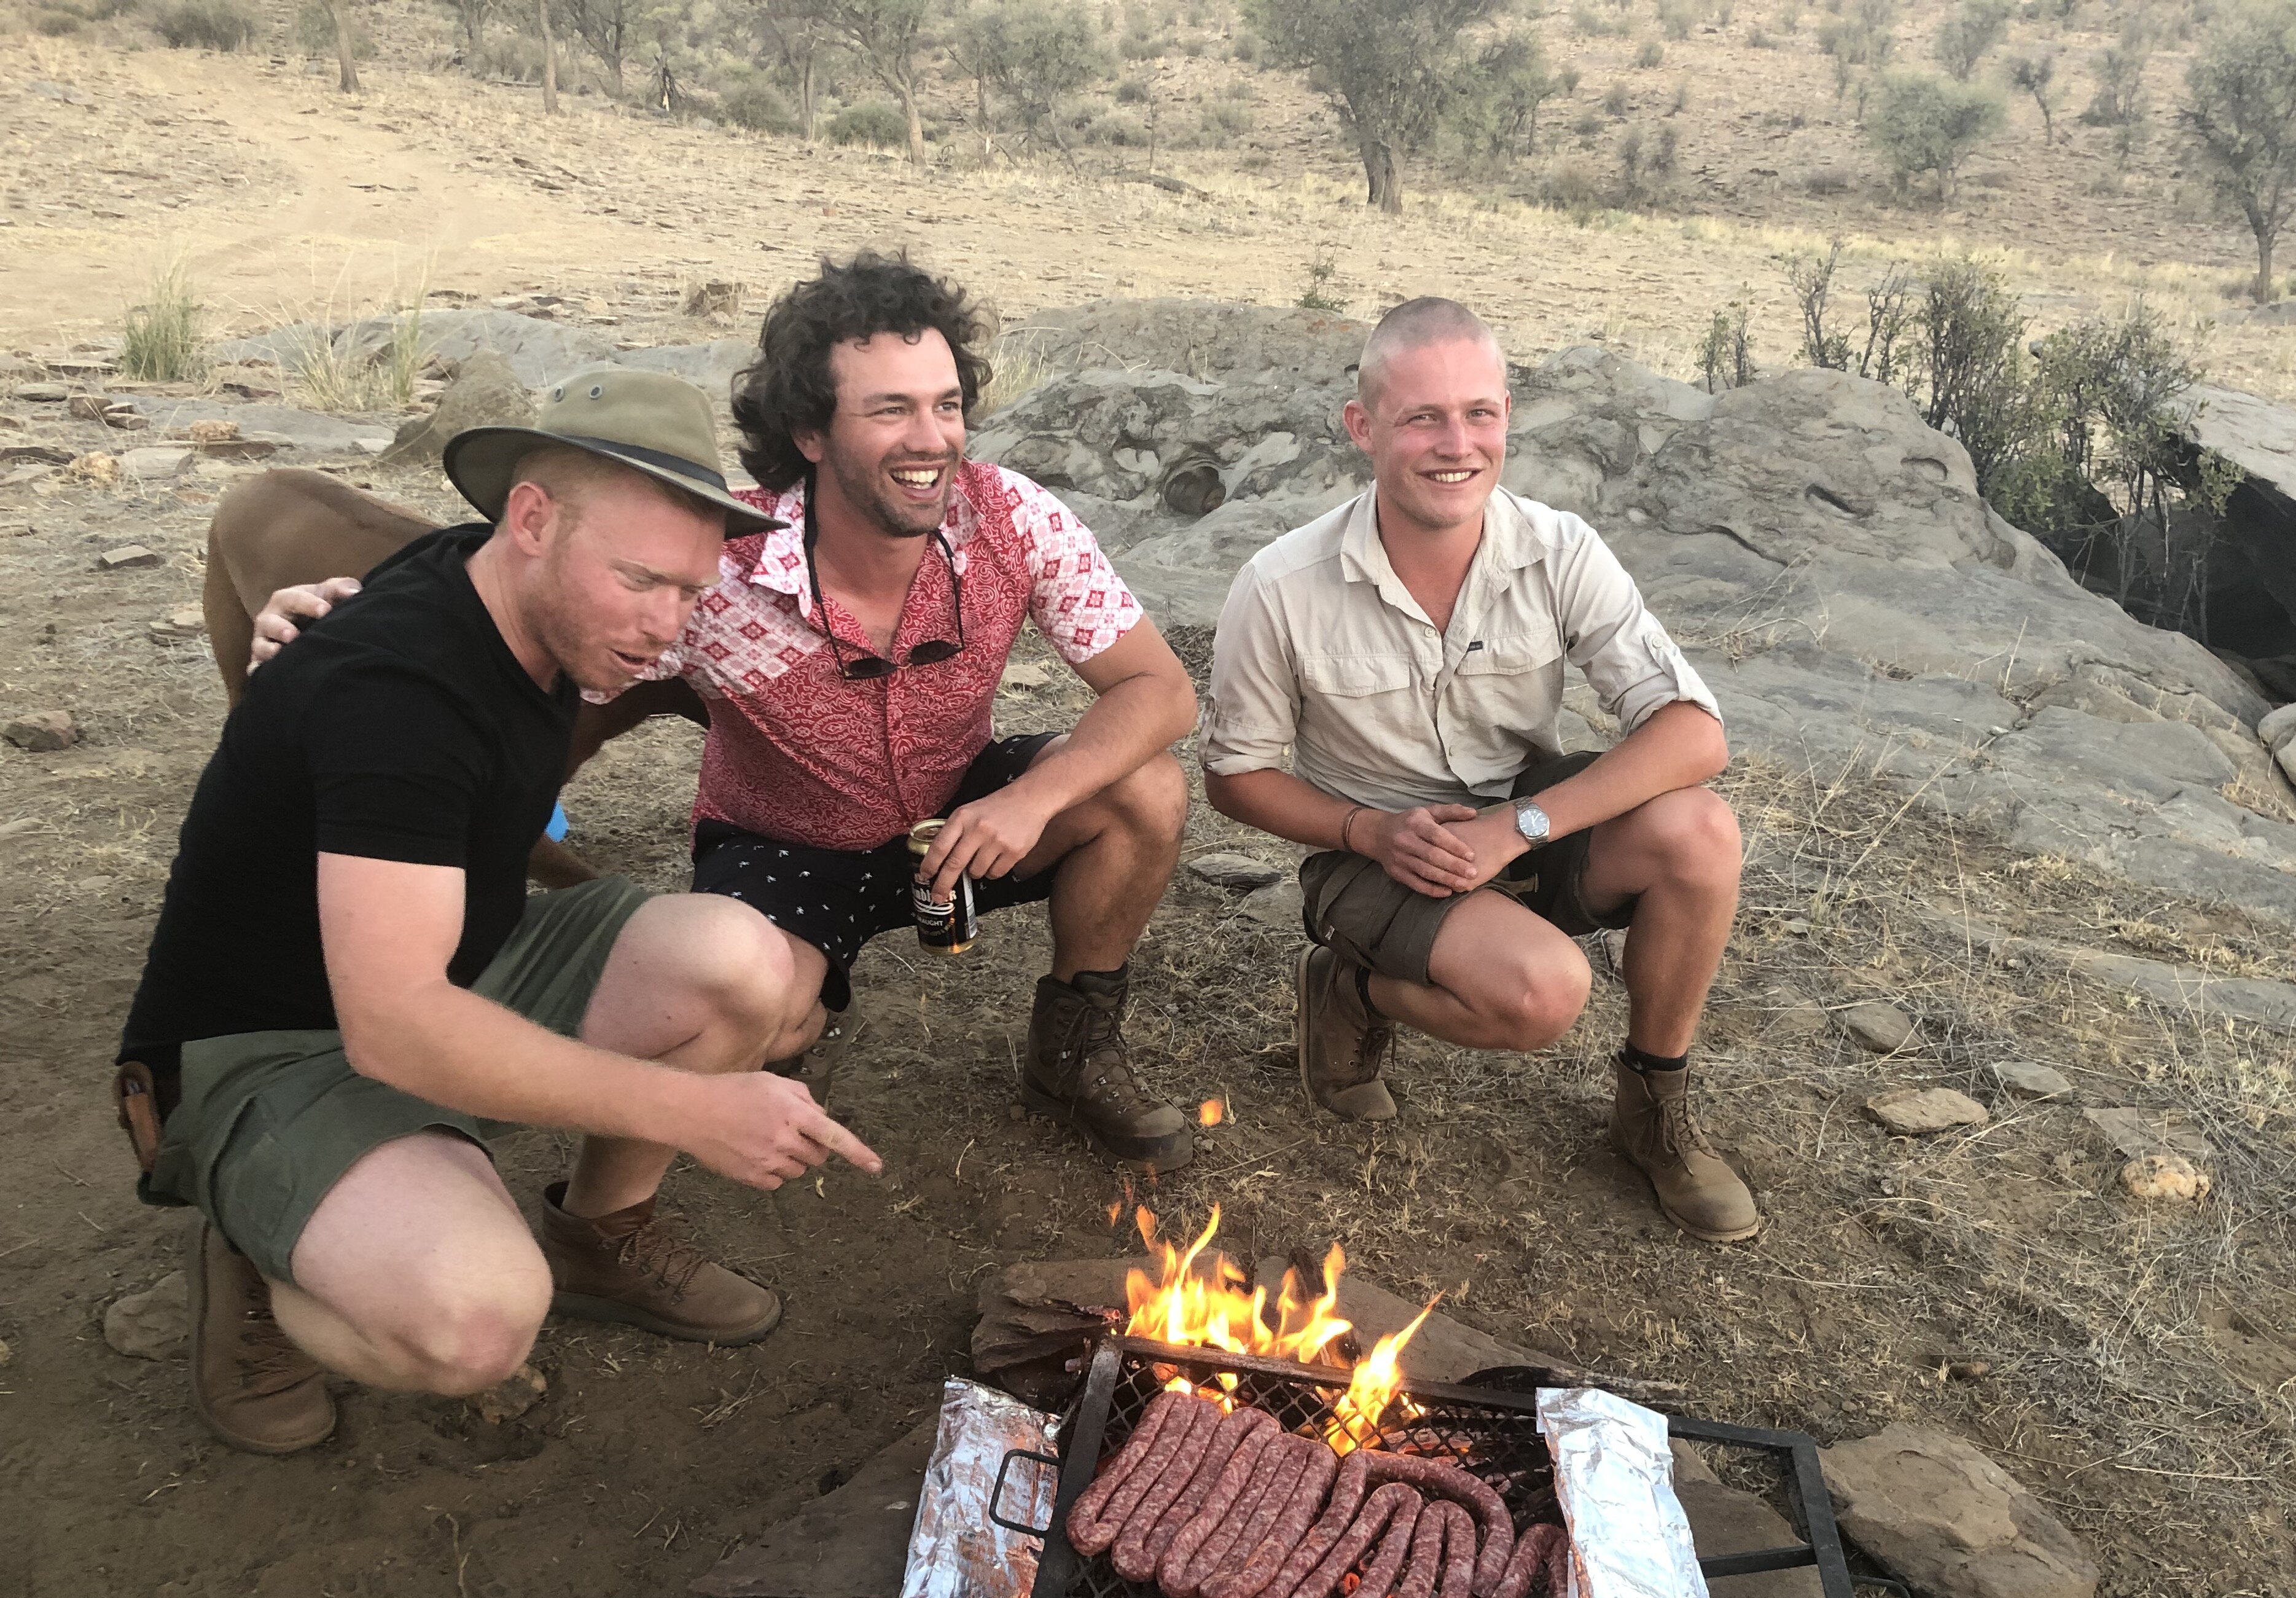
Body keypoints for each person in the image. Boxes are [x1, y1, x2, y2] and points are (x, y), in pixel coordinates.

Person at [254, 253, 1201, 1170]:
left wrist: (1032, 800)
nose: (933, 439)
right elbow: (510, 624)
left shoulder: (1012, 519)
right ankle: (642, 1181)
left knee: (1143, 791)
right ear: (811, 432)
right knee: (762, 1016)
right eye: (891, 410)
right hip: (782, 842)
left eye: (946, 405)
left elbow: (1161, 690)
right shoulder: (717, 564)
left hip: (957, 818)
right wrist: (344, 634)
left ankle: (1073, 1049)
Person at [115, 370, 881, 1455]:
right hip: (274, 1046)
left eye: (691, 592)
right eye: (641, 582)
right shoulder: (400, 695)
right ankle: (252, 1237)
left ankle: (599, 1235)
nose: (668, 630)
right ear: (530, 519)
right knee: (476, 1321)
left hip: (451, 959)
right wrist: (695, 1111)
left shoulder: (497, 587)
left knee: (740, 963)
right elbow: (396, 1027)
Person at [1199, 297, 1761, 1245]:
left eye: (1480, 414)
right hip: (1377, 854)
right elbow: (1234, 778)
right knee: (1544, 995)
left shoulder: (1558, 548)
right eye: (1422, 417)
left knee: (1700, 832)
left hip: (1522, 828)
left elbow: (1695, 735)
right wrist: (1364, 830)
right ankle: (1351, 990)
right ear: (1363, 427)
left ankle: (1652, 1109)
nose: (1455, 444)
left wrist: (1523, 827)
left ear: (1508, 415)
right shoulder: (1280, 586)